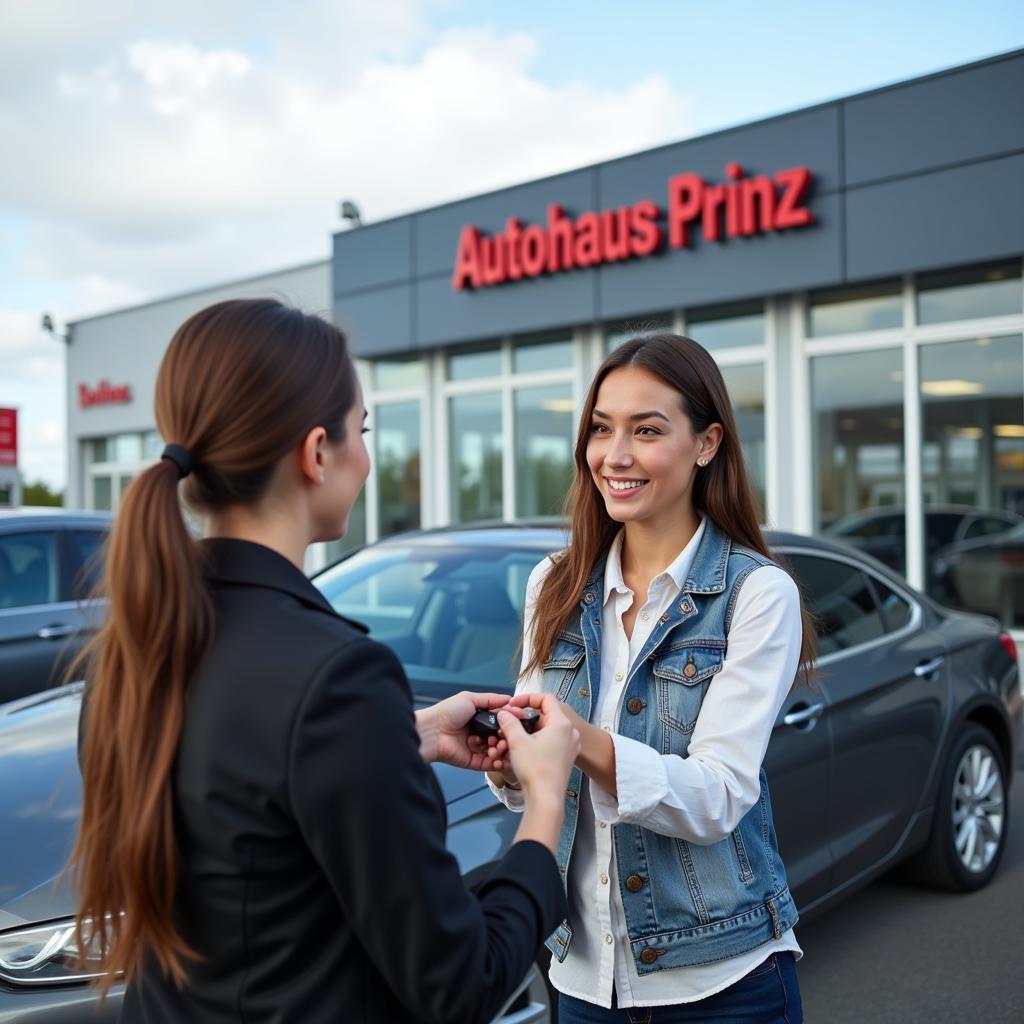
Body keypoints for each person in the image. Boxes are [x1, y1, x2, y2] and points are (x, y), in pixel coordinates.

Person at [71, 298, 579, 1024]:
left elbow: (242, 820)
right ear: (316, 453)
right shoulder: (339, 676)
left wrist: (409, 737)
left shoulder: (136, 648)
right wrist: (547, 801)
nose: (368, 458)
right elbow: (461, 983)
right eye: (362, 432)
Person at [484, 334, 816, 1023]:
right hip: (582, 980)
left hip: (722, 984)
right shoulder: (554, 584)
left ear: (706, 443)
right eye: (601, 429)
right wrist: (510, 760)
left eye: (647, 430)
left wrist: (580, 740)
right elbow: (538, 790)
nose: (615, 455)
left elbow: (719, 797)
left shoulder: (756, 594)